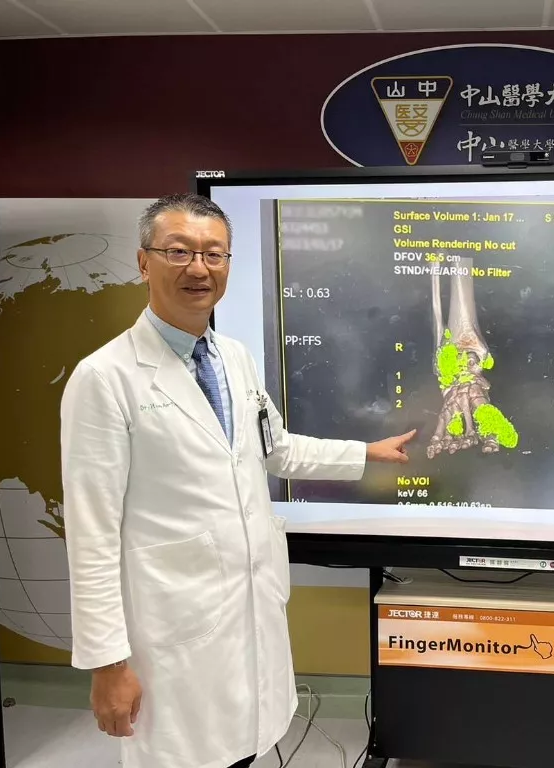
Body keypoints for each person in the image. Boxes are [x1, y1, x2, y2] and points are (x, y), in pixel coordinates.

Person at [60, 194, 415, 768]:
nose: (199, 268)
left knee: (245, 748)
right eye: (179, 252)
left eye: (214, 254)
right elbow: (91, 535)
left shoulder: (234, 357)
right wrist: (107, 663)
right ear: (144, 262)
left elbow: (275, 449)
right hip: (171, 625)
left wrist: (365, 453)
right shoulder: (104, 378)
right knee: (188, 756)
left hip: (248, 608)